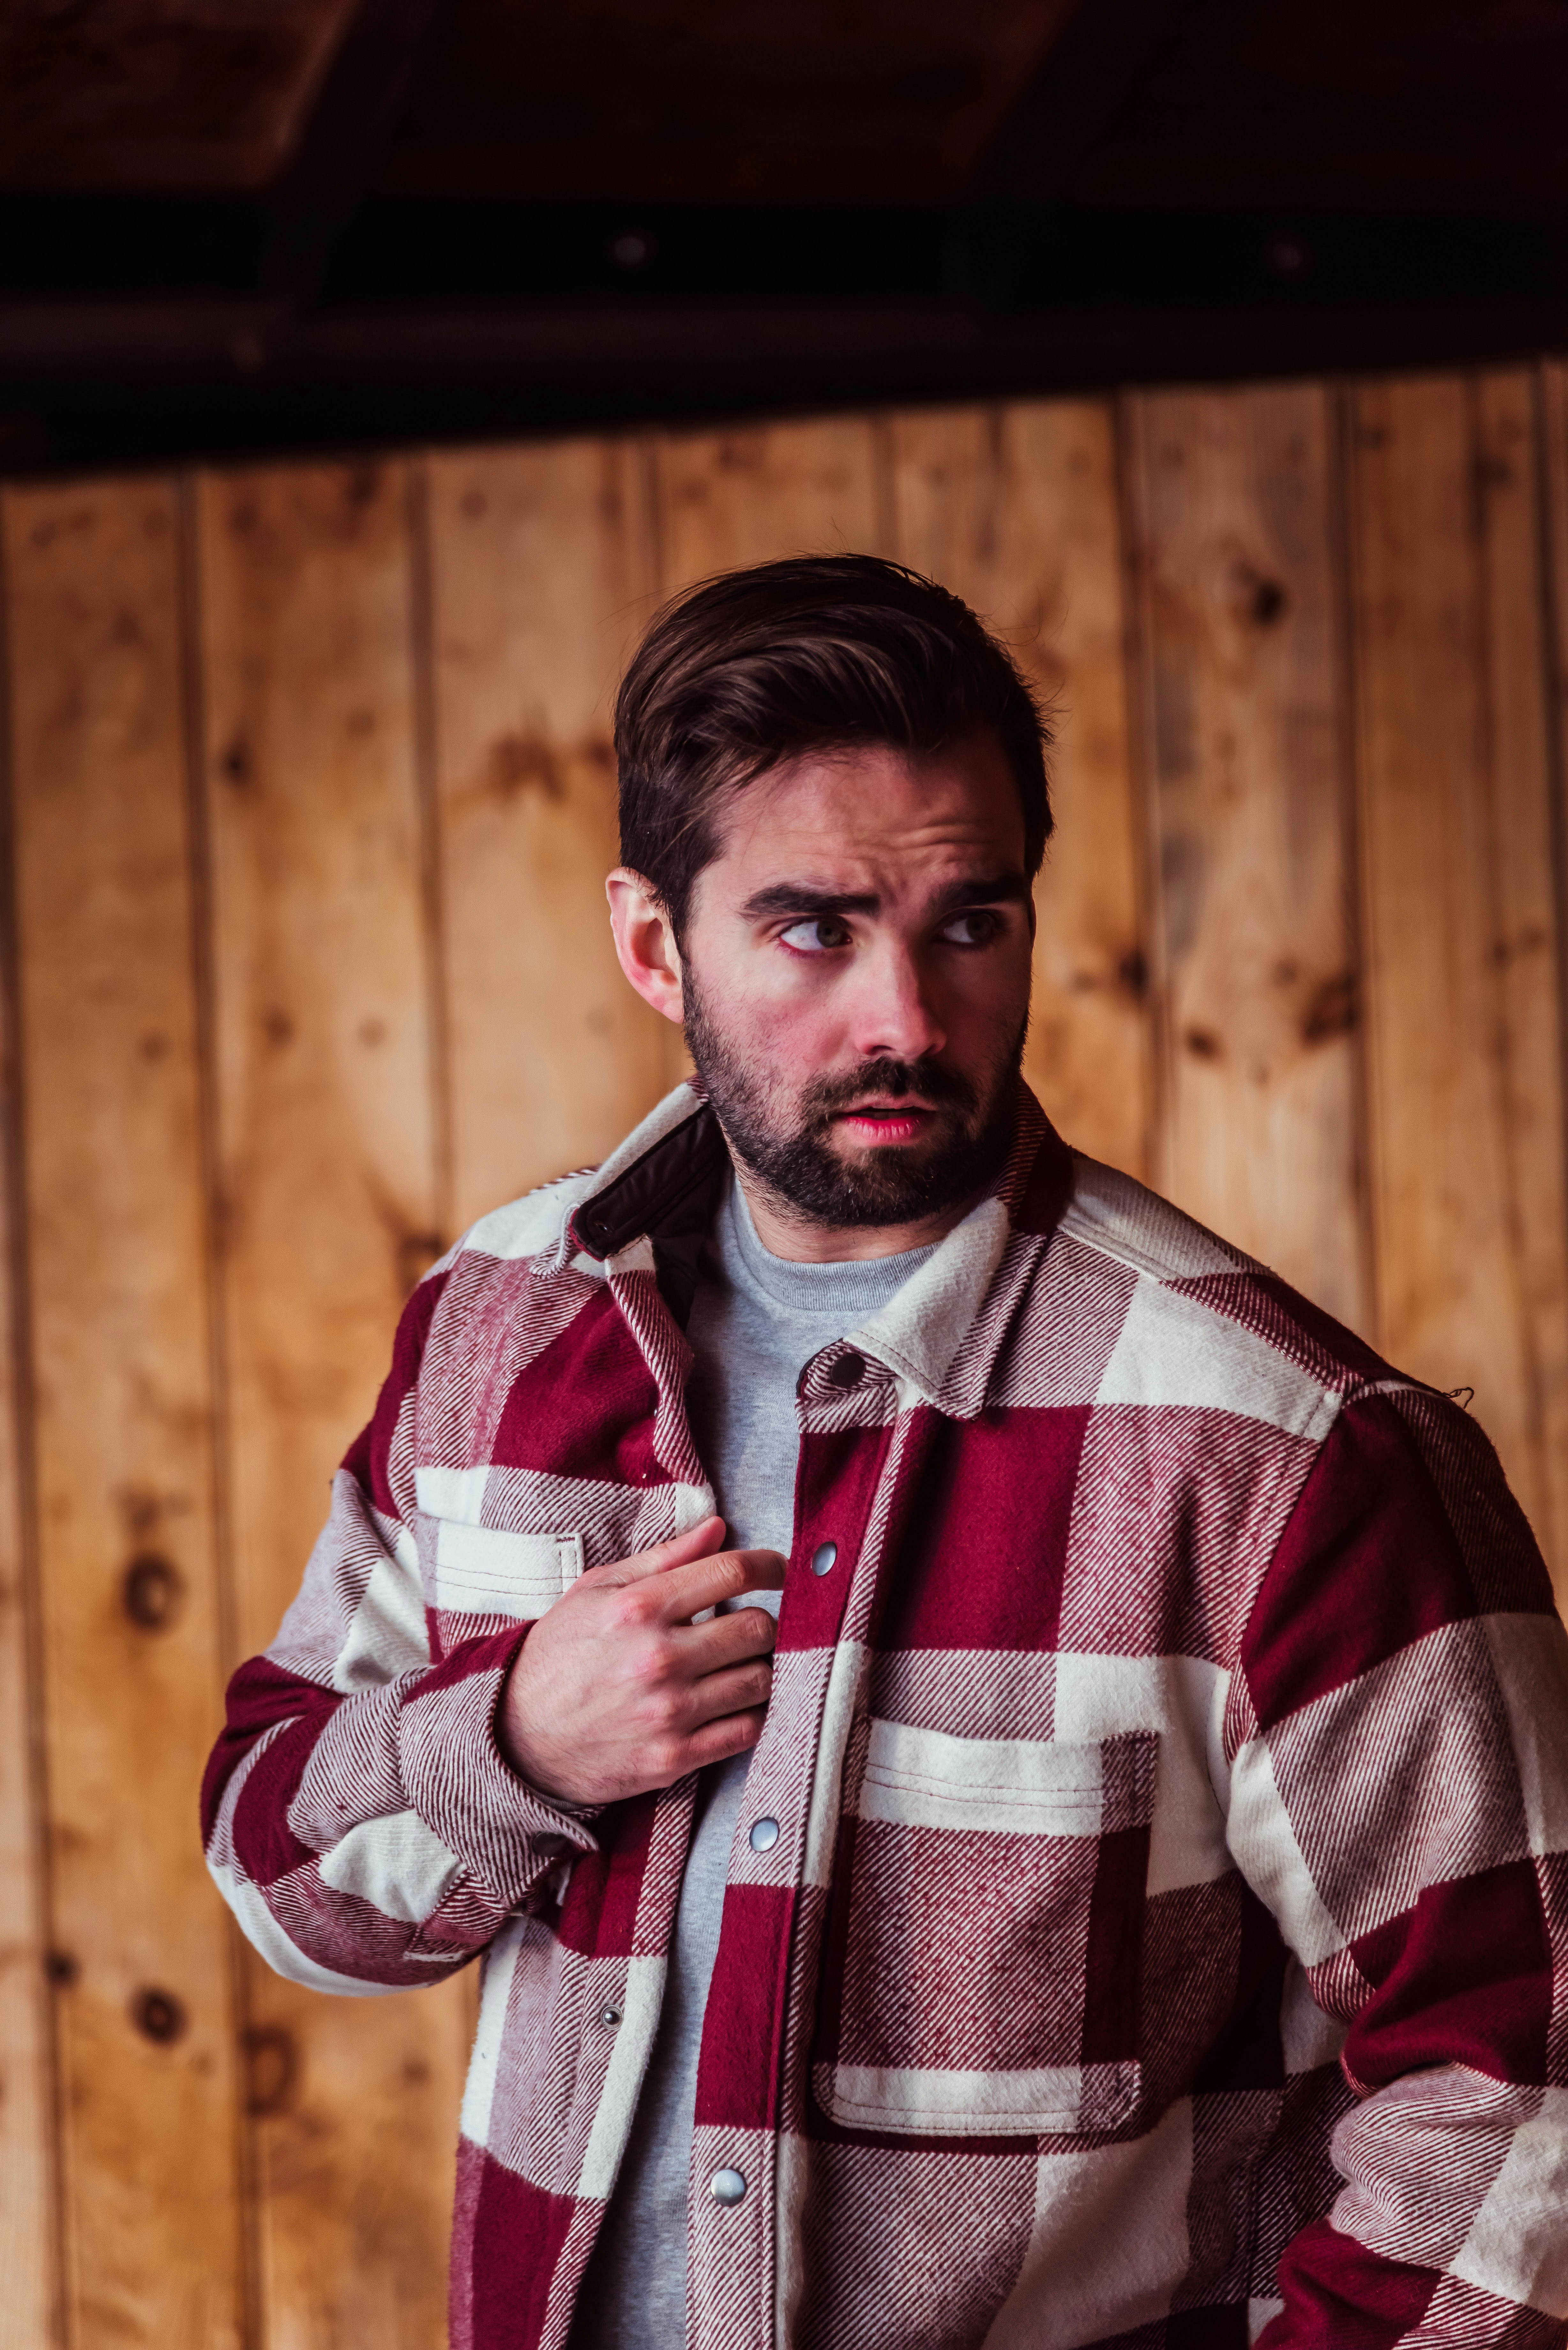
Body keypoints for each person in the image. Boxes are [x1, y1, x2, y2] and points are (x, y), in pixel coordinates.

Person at [203, 554, 1568, 2350]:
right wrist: (513, 1741)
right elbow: (283, 1875)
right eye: (814, 929)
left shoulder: (1290, 1458)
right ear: (650, 943)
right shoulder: (492, 1333)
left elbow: (1523, 2079)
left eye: (969, 925)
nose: (909, 1021)